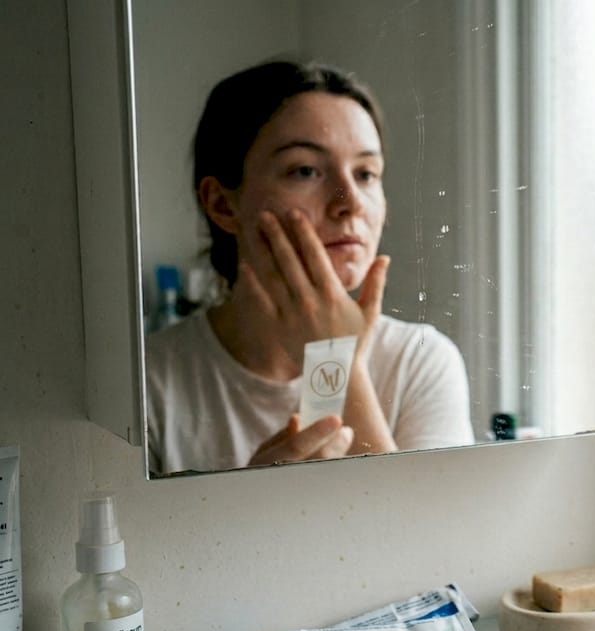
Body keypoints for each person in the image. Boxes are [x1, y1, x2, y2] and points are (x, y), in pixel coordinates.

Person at [146, 60, 474, 474]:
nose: (350, 202)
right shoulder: (149, 384)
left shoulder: (420, 361)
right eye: (305, 170)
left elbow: (432, 534)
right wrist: (249, 504)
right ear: (222, 204)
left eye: (366, 174)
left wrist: (337, 363)